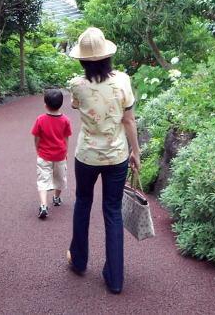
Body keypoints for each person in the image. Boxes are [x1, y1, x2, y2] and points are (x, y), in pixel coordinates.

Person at [66, 27, 141, 294]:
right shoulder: (122, 80)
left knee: (82, 203)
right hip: (116, 155)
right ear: (108, 56)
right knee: (112, 211)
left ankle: (79, 260)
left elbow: (78, 106)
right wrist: (136, 151)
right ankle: (115, 278)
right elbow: (129, 120)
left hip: (87, 155)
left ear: (83, 60)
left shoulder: (76, 85)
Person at [31, 88, 73, 219]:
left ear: (45, 104)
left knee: (43, 180)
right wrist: (66, 151)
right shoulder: (65, 120)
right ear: (61, 104)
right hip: (60, 155)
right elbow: (66, 138)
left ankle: (43, 205)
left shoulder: (40, 119)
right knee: (60, 179)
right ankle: (56, 198)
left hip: (44, 155)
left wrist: (37, 149)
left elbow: (37, 137)